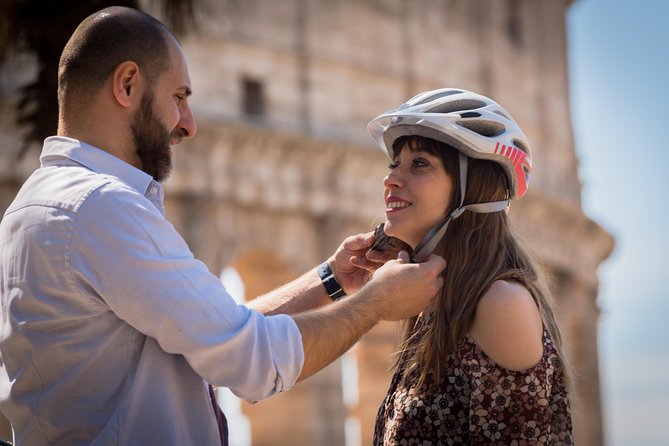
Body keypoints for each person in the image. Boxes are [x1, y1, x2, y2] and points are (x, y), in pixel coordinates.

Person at [0, 7, 446, 445]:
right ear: (127, 84)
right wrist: (374, 304)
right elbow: (253, 360)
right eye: (179, 97)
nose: (189, 125)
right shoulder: (100, 206)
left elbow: (215, 333)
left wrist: (330, 279)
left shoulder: (31, 205)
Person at [366, 88, 574, 444]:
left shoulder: (499, 303)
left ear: (472, 189)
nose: (391, 179)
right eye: (394, 164)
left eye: (419, 163)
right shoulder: (437, 301)